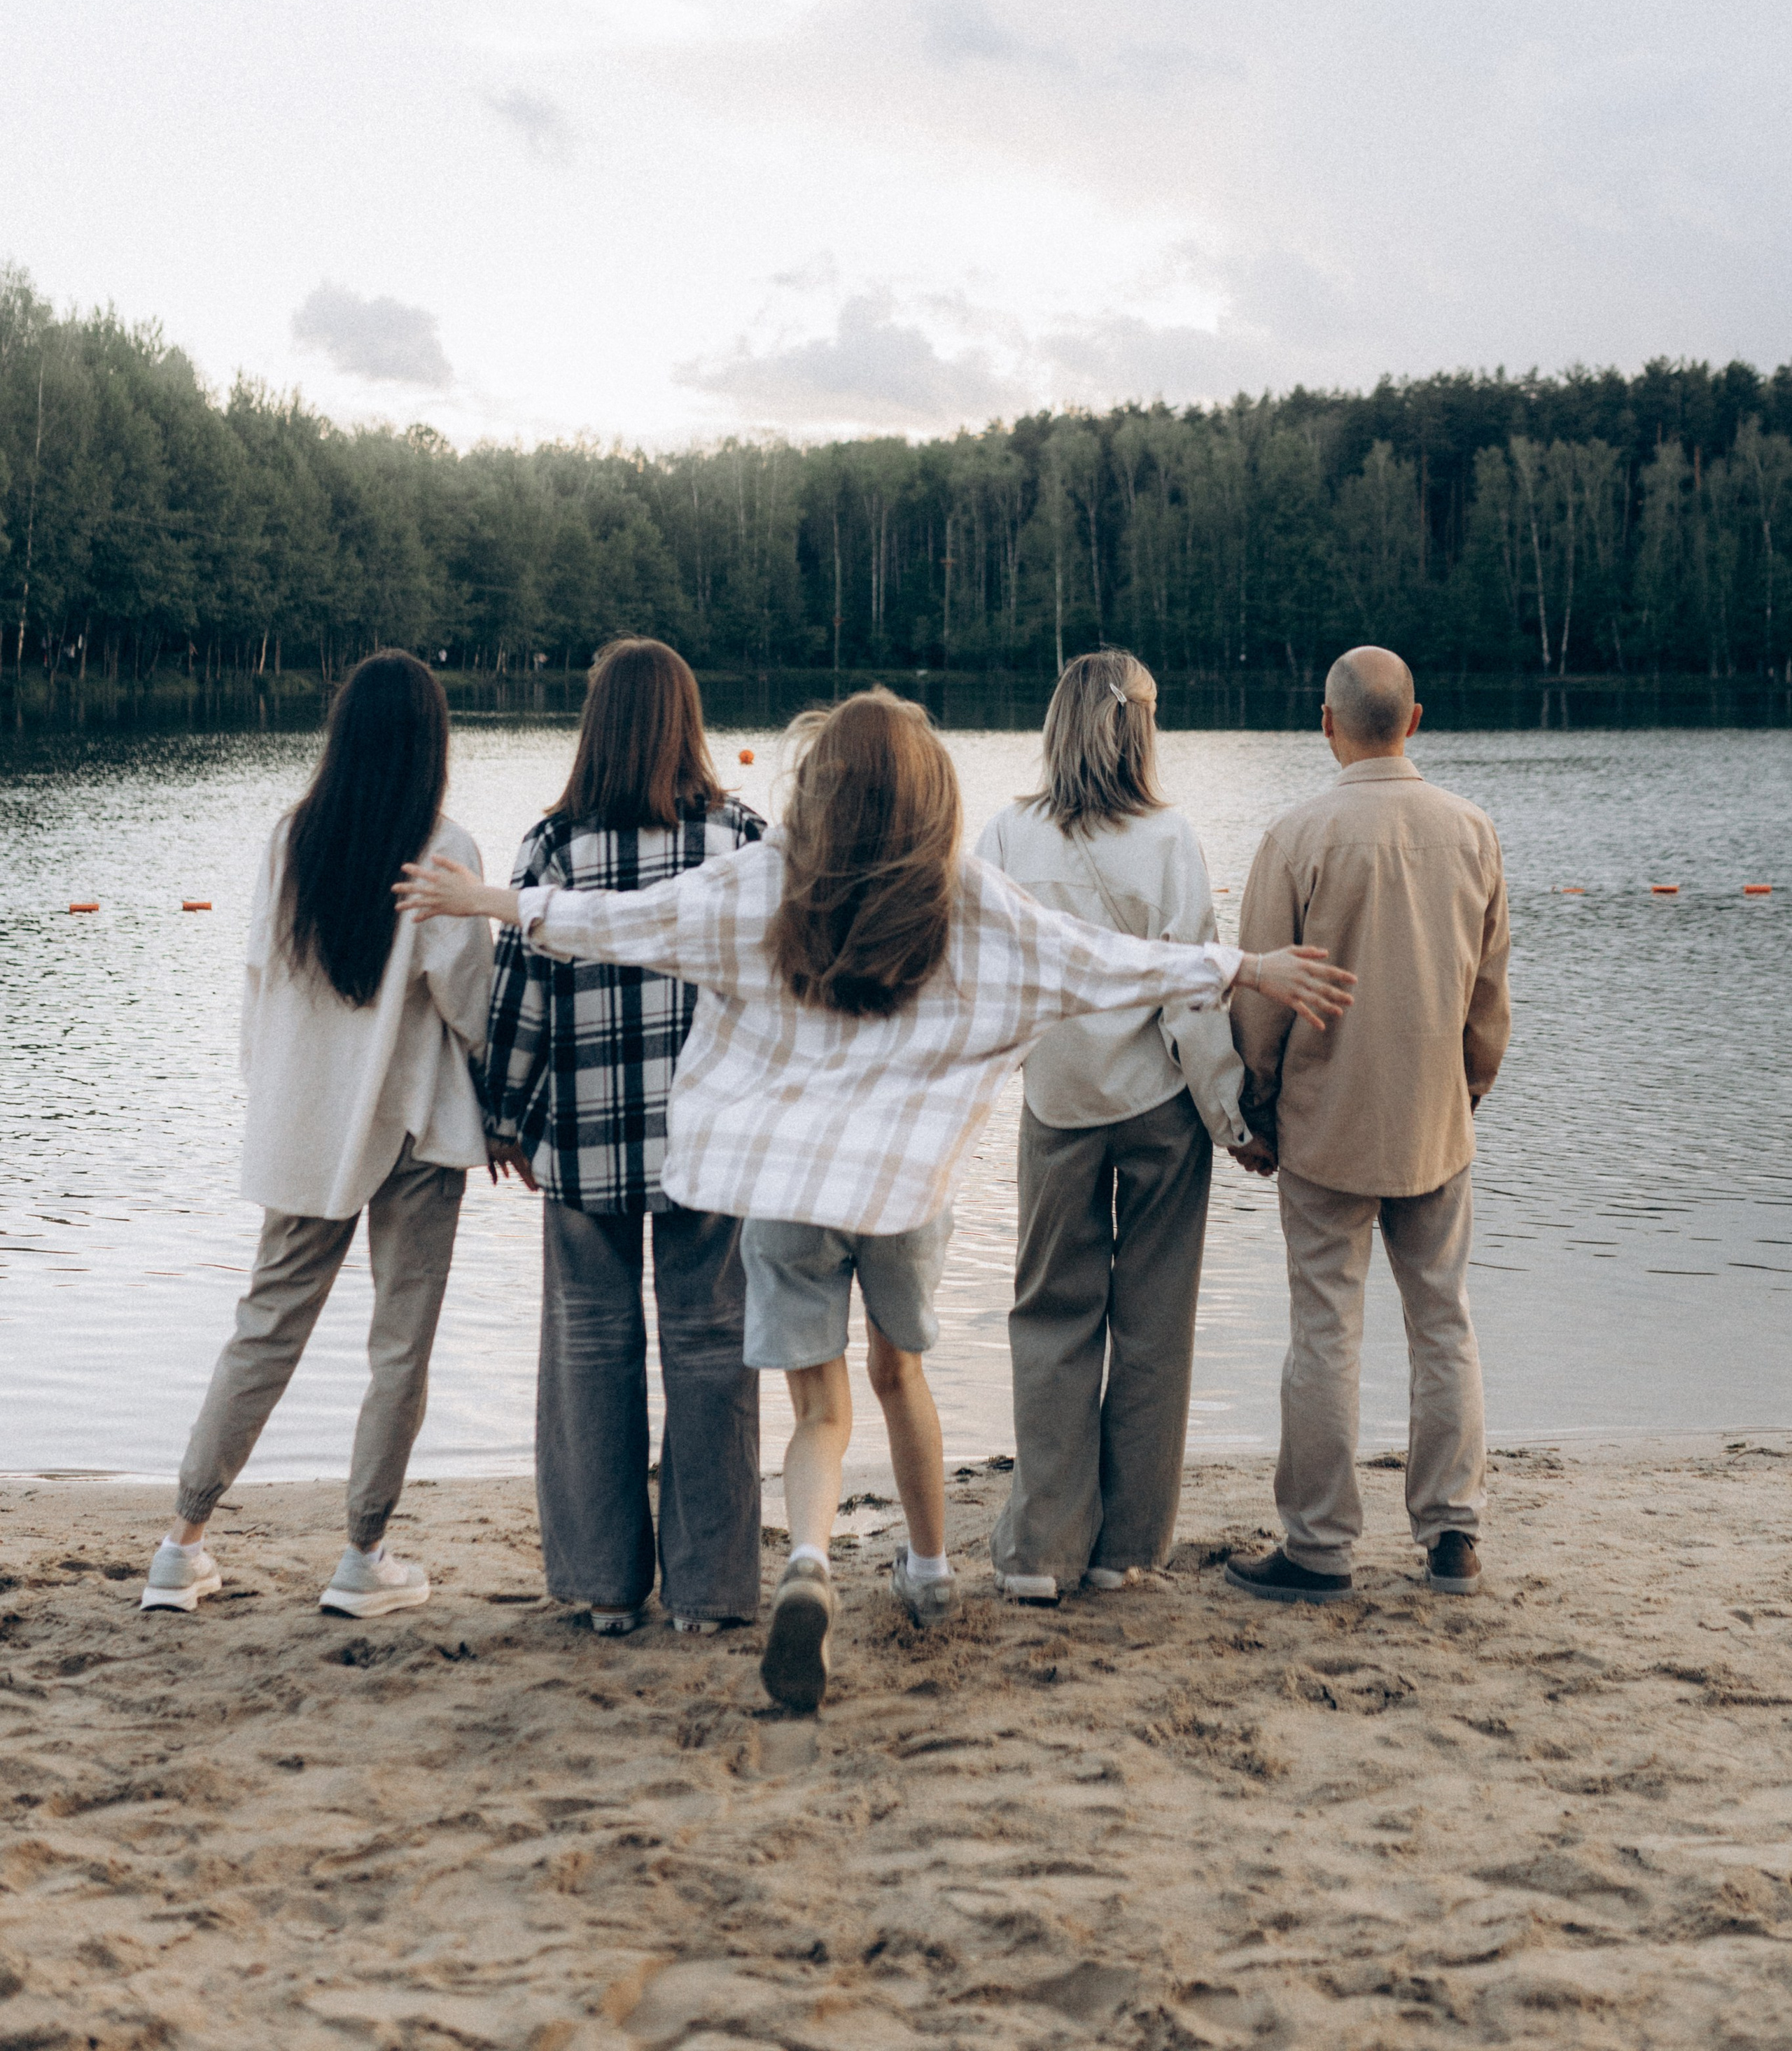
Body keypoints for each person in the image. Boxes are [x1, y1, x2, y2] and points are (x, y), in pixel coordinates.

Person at [398, 687, 1354, 1711]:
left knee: (818, 1410)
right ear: (932, 794)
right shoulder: (965, 897)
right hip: (902, 1194)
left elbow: (626, 925)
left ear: (816, 787)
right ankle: (932, 1570)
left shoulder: (764, 885)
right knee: (901, 1377)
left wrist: (495, 905)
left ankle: (809, 1561)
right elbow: (1098, 964)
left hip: (788, 1192)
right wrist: (1244, 965)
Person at [140, 650, 494, 1620]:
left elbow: (259, 978)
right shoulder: (444, 847)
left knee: (263, 1330)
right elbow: (472, 1006)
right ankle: (363, 1555)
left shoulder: (290, 839)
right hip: (415, 1127)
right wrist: (505, 1109)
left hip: (304, 1126)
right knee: (399, 1348)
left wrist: (268, 1091)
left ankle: (181, 1543)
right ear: (432, 744)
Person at [483, 638, 764, 1637]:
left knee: (591, 1346)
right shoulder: (742, 841)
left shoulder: (554, 846)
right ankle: (711, 1591)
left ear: (594, 727)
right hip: (712, 1142)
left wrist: (503, 1115)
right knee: (712, 1348)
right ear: (690, 724)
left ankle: (603, 1586)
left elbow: (516, 991)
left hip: (588, 1136)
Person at [1225, 645, 1511, 1605]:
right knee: (1444, 1325)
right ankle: (1453, 1537)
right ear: (1416, 720)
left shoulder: (1297, 835)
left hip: (1323, 1122)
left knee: (1324, 1332)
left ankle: (1319, 1547)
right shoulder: (1473, 832)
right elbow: (1489, 989)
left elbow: (1261, 1000)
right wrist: (1469, 1086)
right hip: (1435, 1119)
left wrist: (1249, 1111)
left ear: (1326, 723)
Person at [976, 649, 1256, 1604]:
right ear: (1141, 731)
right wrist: (1229, 1114)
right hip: (1157, 1108)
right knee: (1153, 1325)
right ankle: (1127, 1546)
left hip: (1058, 1102)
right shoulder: (1171, 839)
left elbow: (983, 973)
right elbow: (1193, 996)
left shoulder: (1009, 836)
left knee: (1051, 1316)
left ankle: (1042, 1551)